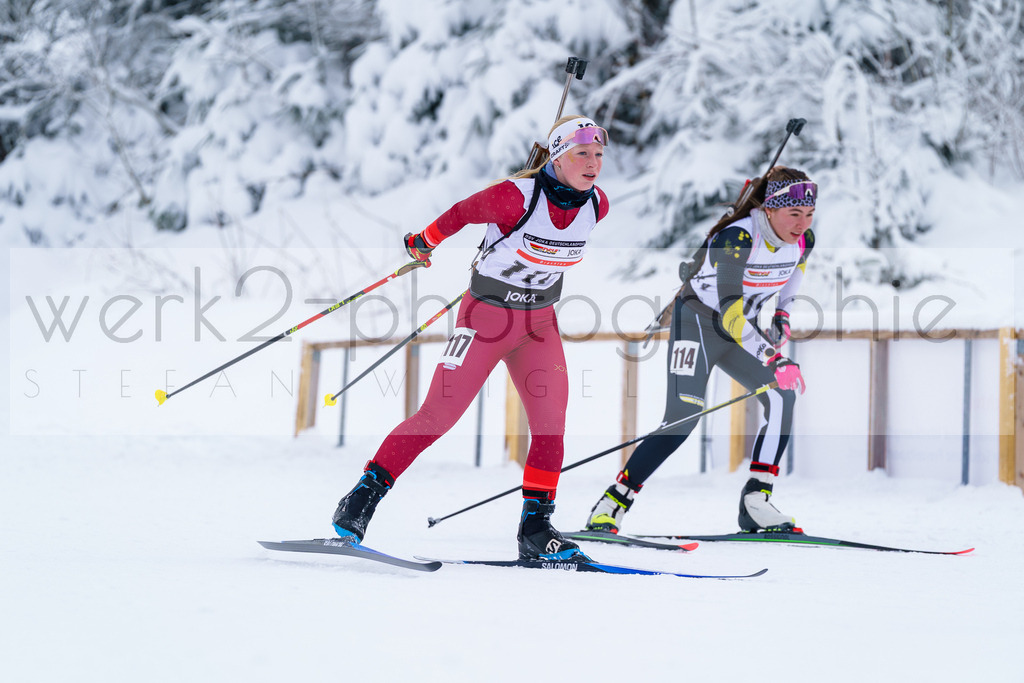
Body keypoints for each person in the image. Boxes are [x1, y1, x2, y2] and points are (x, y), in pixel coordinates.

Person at [332, 115, 610, 561]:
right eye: (582, 153)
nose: (593, 163)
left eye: (598, 154)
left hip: (538, 325)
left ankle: (536, 529)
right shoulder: (514, 197)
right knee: (437, 416)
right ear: (558, 155)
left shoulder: (598, 204)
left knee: (551, 424)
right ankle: (361, 499)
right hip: (485, 320)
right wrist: (424, 241)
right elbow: (461, 213)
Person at [585, 166, 816, 534]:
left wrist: (783, 314)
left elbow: (795, 272)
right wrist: (774, 357)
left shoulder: (803, 239)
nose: (802, 223)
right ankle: (613, 501)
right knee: (683, 417)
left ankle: (757, 502)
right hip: (699, 325)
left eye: (808, 214)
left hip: (741, 331)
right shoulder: (737, 238)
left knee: (782, 396)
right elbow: (730, 313)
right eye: (793, 213)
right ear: (770, 209)